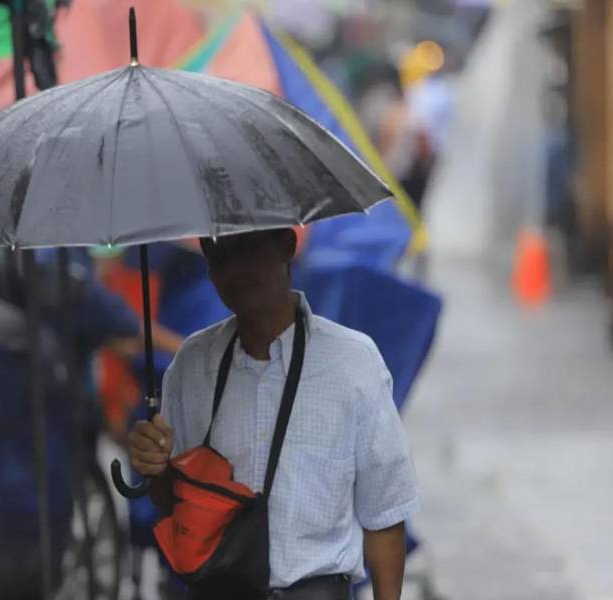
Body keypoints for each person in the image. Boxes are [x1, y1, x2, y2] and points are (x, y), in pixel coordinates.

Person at [128, 229, 420, 600]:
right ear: (208, 263)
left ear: (287, 244)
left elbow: (386, 516)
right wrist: (154, 466)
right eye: (220, 254)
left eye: (250, 248)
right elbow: (172, 502)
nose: (236, 267)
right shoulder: (193, 364)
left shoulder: (353, 363)